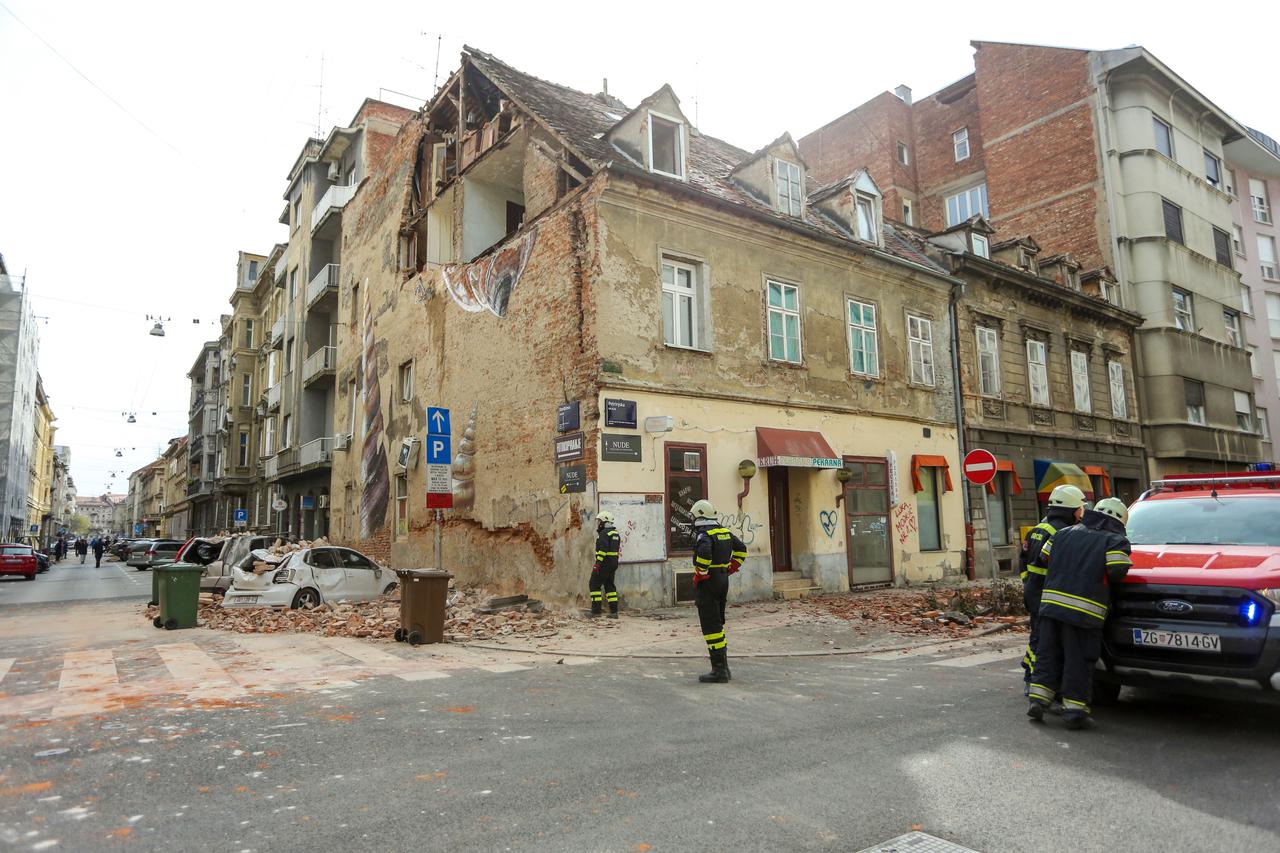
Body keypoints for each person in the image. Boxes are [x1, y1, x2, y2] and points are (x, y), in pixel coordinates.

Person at [1027, 496, 1133, 730]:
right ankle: (1074, 711)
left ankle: (1038, 700)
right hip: (1084, 612)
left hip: (1051, 607)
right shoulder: (1115, 540)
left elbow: (1044, 558)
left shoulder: (1063, 533)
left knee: (1048, 654)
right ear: (1120, 521)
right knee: (1078, 659)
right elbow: (1117, 572)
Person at [1018, 484, 1086, 693]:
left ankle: (1031, 672)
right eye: (1080, 508)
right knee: (1044, 640)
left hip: (1034, 591)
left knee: (1037, 636)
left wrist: (1028, 583)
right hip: (1048, 594)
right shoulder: (1061, 533)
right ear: (1070, 509)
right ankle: (1035, 678)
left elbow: (1022, 561)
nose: (1082, 513)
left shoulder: (1038, 529)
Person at [689, 500, 746, 684]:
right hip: (722, 580)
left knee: (710, 626)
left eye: (693, 516)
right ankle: (724, 668)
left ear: (699, 515)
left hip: (709, 583)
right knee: (717, 624)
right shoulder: (723, 531)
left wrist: (701, 573)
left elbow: (704, 554)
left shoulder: (704, 534)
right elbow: (741, 549)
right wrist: (732, 566)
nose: (692, 519)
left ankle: (719, 671)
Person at [589, 511, 621, 618]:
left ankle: (595, 611)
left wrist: (598, 563)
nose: (599, 524)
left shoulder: (604, 534)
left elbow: (603, 550)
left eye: (600, 521)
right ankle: (614, 612)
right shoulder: (615, 533)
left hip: (604, 563)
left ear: (604, 522)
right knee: (609, 586)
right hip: (613, 563)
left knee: (594, 584)